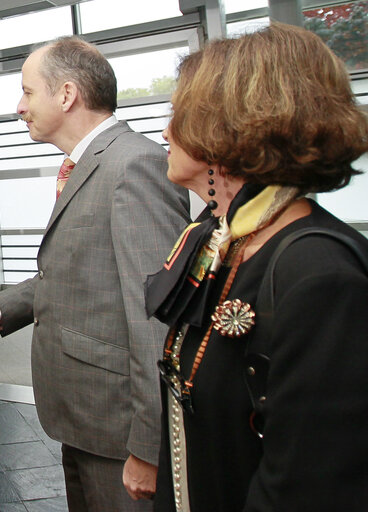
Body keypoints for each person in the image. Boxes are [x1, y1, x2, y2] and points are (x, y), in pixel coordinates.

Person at [0, 37, 190, 511]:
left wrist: (149, 444)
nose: (20, 108)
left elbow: (156, 318)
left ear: (65, 95)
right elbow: (71, 272)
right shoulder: (85, 165)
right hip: (81, 417)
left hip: (118, 428)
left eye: (27, 92)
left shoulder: (133, 165)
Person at [144, 24, 368, 512]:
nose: (164, 132)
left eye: (177, 115)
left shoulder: (318, 273)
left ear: (227, 125)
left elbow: (310, 485)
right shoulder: (227, 237)